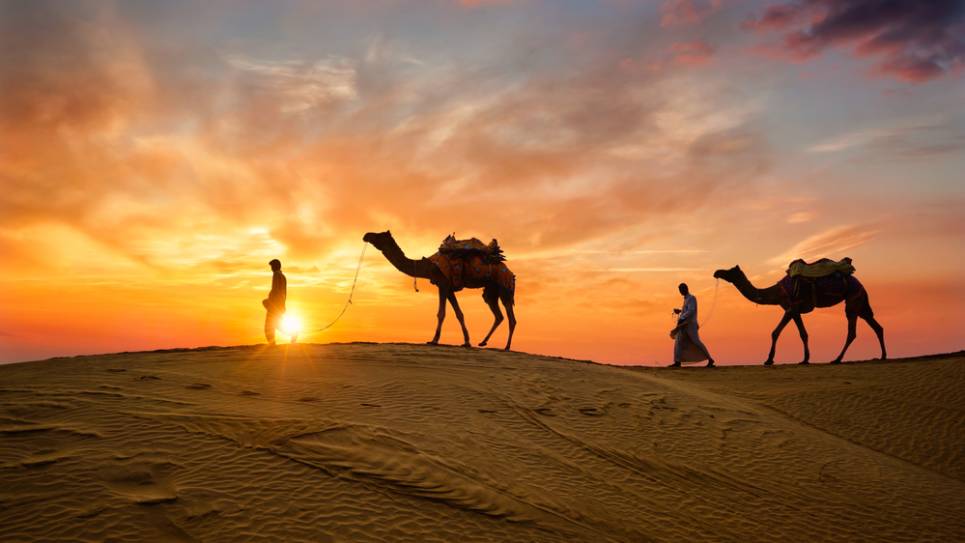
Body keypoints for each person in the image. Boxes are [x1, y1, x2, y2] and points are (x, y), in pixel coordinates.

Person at [669, 282, 715, 368]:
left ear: (686, 288)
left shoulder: (692, 298)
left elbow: (691, 311)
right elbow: (687, 310)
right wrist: (680, 311)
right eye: (680, 289)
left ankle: (710, 359)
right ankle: (677, 362)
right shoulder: (686, 299)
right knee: (678, 341)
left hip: (690, 324)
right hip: (684, 325)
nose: (681, 291)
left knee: (696, 341)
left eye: (682, 289)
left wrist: (682, 317)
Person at [262, 259, 289, 345]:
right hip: (279, 304)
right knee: (276, 324)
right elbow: (282, 292)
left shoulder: (276, 275)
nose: (271, 268)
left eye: (272, 266)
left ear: (275, 266)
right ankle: (292, 333)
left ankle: (272, 344)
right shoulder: (282, 276)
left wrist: (269, 302)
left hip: (275, 305)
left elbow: (276, 290)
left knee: (269, 326)